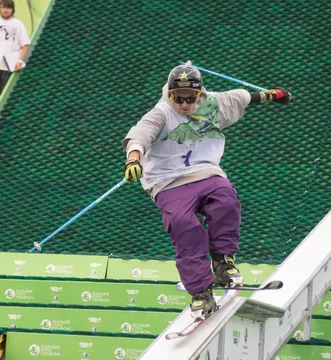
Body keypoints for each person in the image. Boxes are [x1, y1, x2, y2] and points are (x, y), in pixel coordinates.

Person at [123, 62, 291, 319]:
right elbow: (140, 135)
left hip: (205, 172)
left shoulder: (214, 103)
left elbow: (245, 97)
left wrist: (272, 95)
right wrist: (133, 159)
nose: (184, 104)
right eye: (178, 98)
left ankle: (223, 262)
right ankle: (201, 292)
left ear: (199, 93)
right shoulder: (161, 114)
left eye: (190, 98)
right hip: (167, 182)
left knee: (226, 201)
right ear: (169, 94)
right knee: (183, 224)